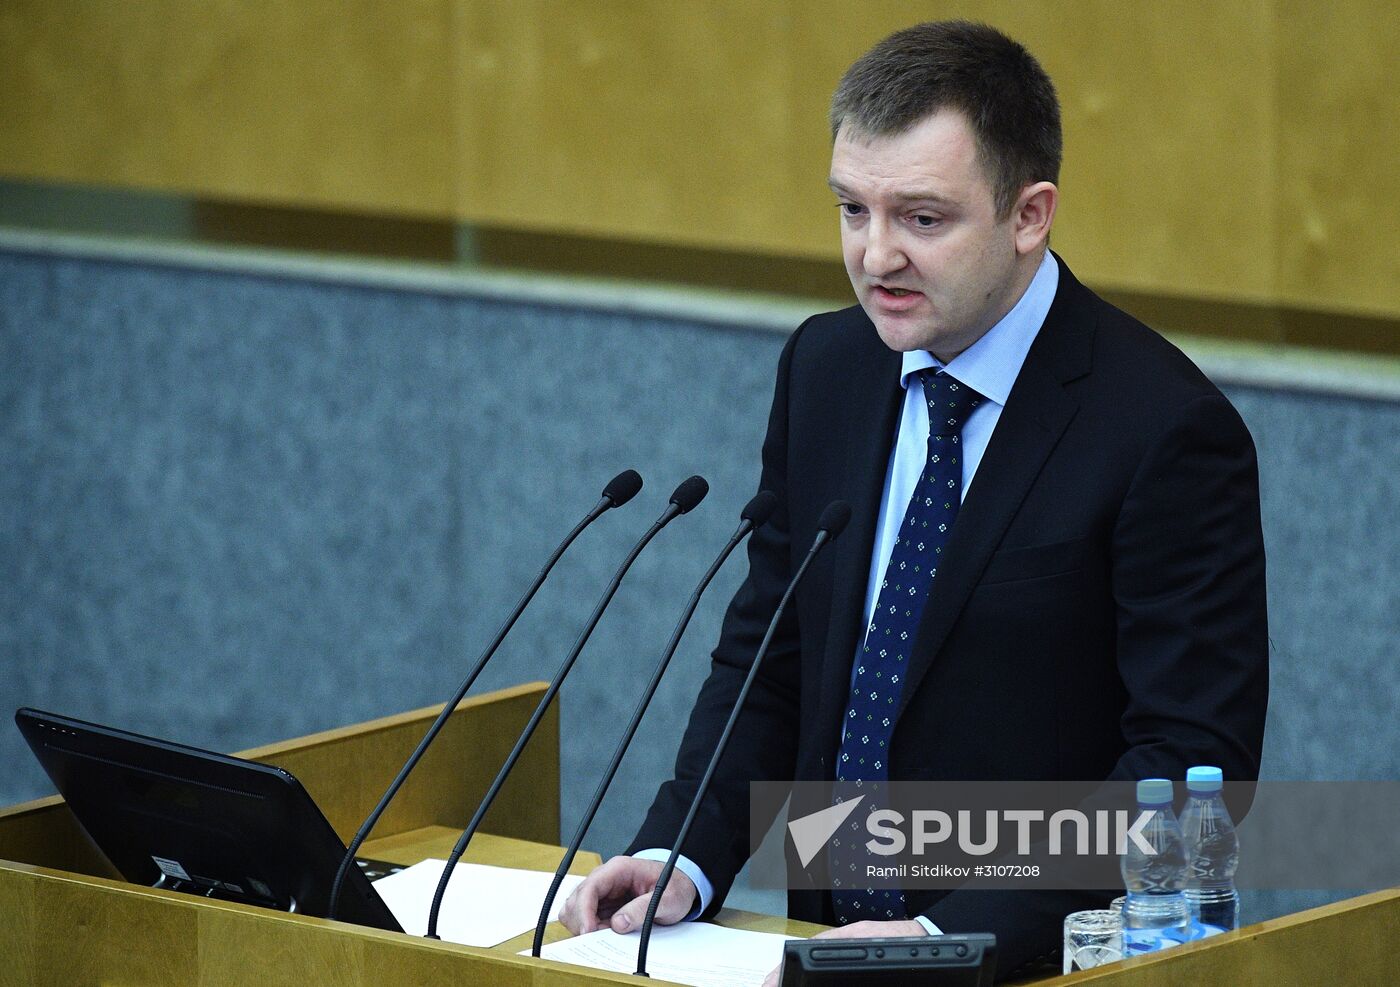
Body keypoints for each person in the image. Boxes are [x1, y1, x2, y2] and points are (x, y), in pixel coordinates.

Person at [560, 20, 1268, 979]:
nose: (875, 256)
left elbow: (1187, 767)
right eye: (853, 209)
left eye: (922, 219)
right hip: (827, 952)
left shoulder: (1162, 429)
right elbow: (773, 652)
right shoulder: (828, 368)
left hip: (1036, 963)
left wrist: (945, 941)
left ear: (1031, 215)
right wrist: (680, 851)